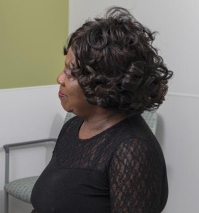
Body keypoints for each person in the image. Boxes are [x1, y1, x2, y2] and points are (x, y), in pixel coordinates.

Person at [31, 7, 173, 213]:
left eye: (70, 73)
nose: (59, 79)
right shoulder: (73, 127)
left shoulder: (132, 150)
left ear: (104, 83)